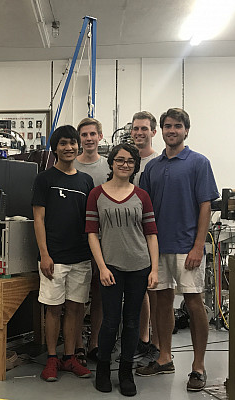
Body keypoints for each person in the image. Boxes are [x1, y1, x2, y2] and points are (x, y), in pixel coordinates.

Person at [136, 108, 219, 392]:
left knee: (194, 304)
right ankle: (164, 357)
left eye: (178, 126)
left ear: (186, 130)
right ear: (161, 130)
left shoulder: (198, 162)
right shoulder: (153, 167)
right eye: (168, 126)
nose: (172, 130)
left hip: (188, 247)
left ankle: (198, 366)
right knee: (161, 302)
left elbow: (206, 205)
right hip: (158, 247)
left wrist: (199, 246)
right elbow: (145, 209)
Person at [86, 143, 159, 396]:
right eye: (120, 160)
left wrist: (154, 269)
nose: (124, 164)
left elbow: (151, 235)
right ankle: (103, 369)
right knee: (109, 322)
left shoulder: (142, 196)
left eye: (130, 161)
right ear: (112, 162)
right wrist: (102, 267)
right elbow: (92, 234)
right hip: (111, 269)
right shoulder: (97, 194)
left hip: (139, 267)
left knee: (131, 323)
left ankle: (126, 370)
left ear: (135, 165)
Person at [31, 125, 94, 382]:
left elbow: (89, 221)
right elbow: (38, 219)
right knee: (53, 309)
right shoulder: (44, 179)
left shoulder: (86, 181)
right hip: (53, 258)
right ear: (55, 148)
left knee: (76, 309)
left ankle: (69, 358)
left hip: (80, 257)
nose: (69, 147)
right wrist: (45, 255)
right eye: (63, 143)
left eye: (73, 143)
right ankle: (51, 359)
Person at [72, 117, 110, 365]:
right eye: (84, 135)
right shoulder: (68, 164)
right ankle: (76, 346)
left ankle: (94, 342)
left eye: (92, 134)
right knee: (75, 296)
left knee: (98, 292)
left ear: (100, 137)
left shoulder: (109, 167)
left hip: (102, 238)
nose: (88, 139)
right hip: (73, 238)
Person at [130, 111, 161, 365]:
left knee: (155, 292)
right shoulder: (125, 160)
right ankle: (140, 338)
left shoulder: (158, 163)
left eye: (144, 128)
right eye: (135, 128)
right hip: (128, 237)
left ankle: (154, 343)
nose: (139, 132)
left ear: (153, 132)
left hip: (149, 235)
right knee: (138, 293)